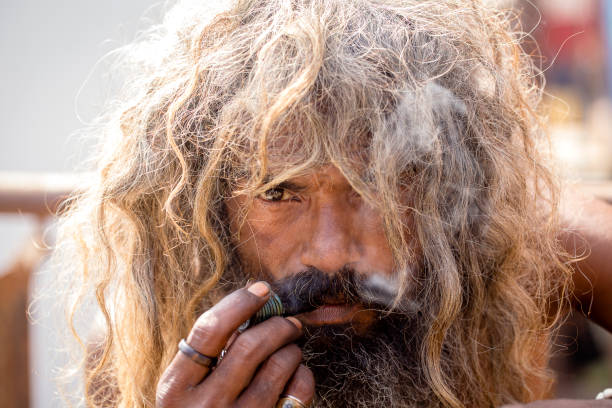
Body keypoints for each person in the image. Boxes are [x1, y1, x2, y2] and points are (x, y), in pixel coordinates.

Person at [53, 0, 612, 407]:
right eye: (278, 193)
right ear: (211, 213)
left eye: (376, 192)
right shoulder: (142, 369)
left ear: (442, 195)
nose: (326, 253)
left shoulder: (502, 260)